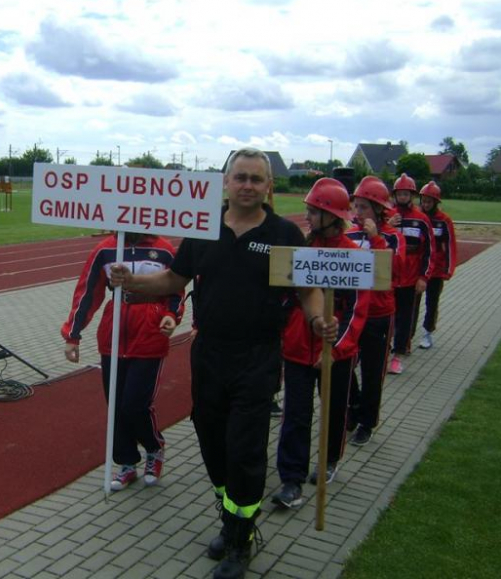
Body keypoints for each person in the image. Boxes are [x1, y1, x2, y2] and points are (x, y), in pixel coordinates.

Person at [110, 148, 336, 579]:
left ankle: (241, 539)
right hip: (208, 351)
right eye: (240, 177)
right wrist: (132, 281)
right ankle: (230, 516)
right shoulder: (202, 228)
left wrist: (318, 318)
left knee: (245, 448)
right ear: (225, 182)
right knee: (211, 439)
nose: (248, 185)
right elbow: (175, 279)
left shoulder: (285, 233)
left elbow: (309, 290)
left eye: (256, 178)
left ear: (268, 186)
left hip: (259, 355)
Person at [272, 179, 369, 510]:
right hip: (298, 349)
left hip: (337, 353)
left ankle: (329, 460)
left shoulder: (354, 256)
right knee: (296, 414)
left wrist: (337, 349)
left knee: (334, 410)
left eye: (314, 212)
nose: (308, 217)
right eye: (308, 210)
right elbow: (286, 297)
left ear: (331, 215)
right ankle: (291, 480)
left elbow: (358, 309)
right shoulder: (301, 252)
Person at [61, 232, 183, 491]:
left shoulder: (163, 249)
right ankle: (126, 462)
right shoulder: (105, 249)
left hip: (150, 333)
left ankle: (154, 447)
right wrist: (72, 335)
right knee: (116, 404)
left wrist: (172, 315)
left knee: (135, 404)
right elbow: (87, 292)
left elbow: (176, 287)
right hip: (114, 333)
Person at [344, 177, 406, 446]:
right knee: (343, 367)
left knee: (372, 372)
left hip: (379, 314)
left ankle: (367, 422)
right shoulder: (348, 234)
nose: (358, 214)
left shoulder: (393, 237)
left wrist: (376, 239)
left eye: (364, 208)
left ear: (379, 210)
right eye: (355, 207)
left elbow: (397, 270)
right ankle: (353, 408)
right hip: (351, 312)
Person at [388, 173, 434, 374]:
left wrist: (423, 277)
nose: (403, 197)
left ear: (412, 195)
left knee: (406, 317)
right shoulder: (386, 215)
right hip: (388, 280)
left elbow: (429, 251)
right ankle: (385, 349)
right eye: (401, 193)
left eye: (407, 194)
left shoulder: (422, 219)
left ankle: (398, 354)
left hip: (409, 279)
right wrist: (388, 226)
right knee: (388, 316)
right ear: (395, 194)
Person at [413, 181, 456, 349]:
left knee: (432, 303)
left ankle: (427, 333)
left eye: (429, 201)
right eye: (423, 200)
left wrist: (449, 269)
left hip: (437, 271)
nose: (425, 204)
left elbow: (451, 246)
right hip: (418, 270)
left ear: (436, 202)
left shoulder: (444, 221)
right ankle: (407, 335)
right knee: (413, 304)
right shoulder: (417, 217)